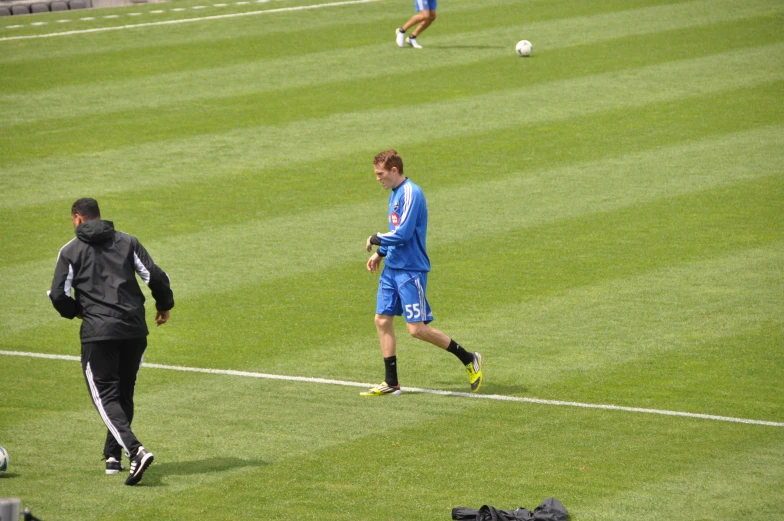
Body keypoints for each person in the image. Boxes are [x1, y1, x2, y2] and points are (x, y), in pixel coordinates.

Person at [49, 198, 174, 486]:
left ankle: (136, 450)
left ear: (78, 219)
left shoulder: (70, 251)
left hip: (99, 333)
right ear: (98, 216)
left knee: (104, 397)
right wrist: (164, 304)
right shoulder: (127, 241)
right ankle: (113, 456)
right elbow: (154, 275)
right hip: (134, 329)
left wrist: (75, 311)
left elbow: (58, 294)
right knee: (124, 392)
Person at [362, 150, 483, 396]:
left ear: (394, 170)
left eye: (380, 174)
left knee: (416, 329)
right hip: (392, 268)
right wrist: (381, 253)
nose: (377, 179)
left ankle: (469, 358)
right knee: (381, 319)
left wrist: (375, 238)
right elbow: (395, 228)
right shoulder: (395, 193)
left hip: (410, 270)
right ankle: (391, 383)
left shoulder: (412, 193)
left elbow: (404, 233)